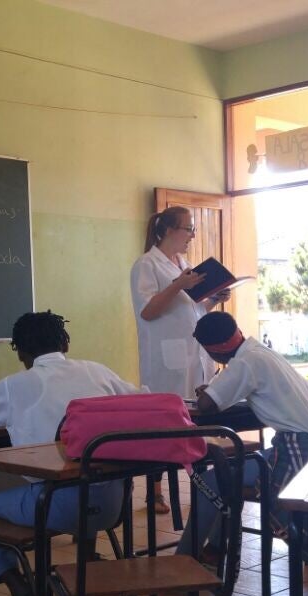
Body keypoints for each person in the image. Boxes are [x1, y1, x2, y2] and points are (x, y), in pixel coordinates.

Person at [0, 310, 142, 596]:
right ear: (65, 343)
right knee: (83, 471)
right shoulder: (98, 371)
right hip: (116, 503)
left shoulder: (16, 385)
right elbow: (141, 399)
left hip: (56, 506)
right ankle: (85, 559)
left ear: (19, 351)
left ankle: (22, 591)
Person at [176, 311, 308, 560]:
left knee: (212, 480)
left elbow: (206, 405)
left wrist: (211, 392)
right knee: (226, 473)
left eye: (208, 351)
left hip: (299, 450)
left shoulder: (246, 361)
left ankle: (183, 562)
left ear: (217, 349)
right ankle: (215, 549)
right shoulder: (257, 351)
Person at [130, 207, 229, 514]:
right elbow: (148, 311)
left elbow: (191, 312)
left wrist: (212, 300)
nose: (192, 235)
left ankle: (199, 480)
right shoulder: (146, 265)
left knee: (194, 420)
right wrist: (177, 285)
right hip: (165, 360)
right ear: (168, 231)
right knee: (161, 423)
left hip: (192, 355)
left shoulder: (184, 264)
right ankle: (154, 491)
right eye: (188, 228)